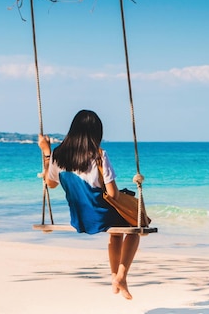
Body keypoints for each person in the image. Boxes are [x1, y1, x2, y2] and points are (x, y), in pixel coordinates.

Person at [38, 109, 140, 300]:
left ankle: (114, 278)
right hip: (100, 215)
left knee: (116, 231)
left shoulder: (58, 155)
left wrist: (46, 152)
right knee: (137, 226)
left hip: (80, 218)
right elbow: (112, 195)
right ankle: (121, 276)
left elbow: (50, 184)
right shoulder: (99, 155)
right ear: (96, 133)